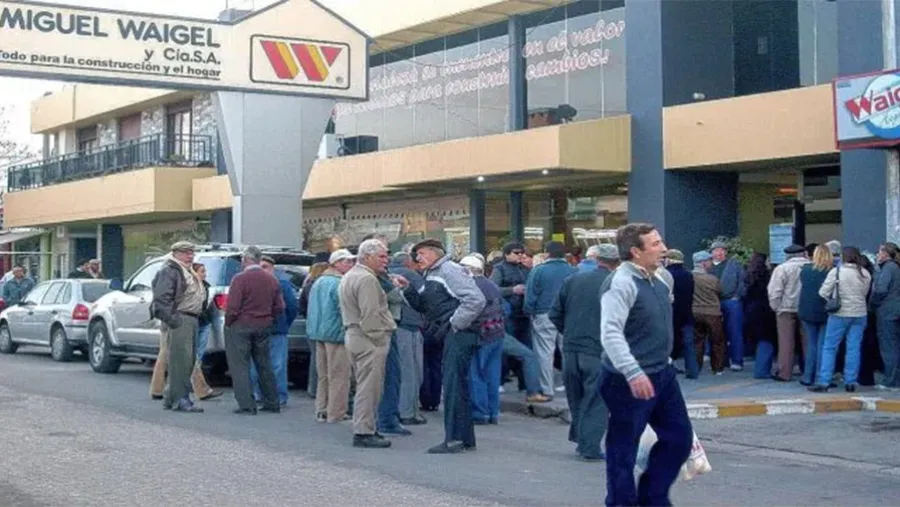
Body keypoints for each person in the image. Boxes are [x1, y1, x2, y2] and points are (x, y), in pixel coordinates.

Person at [599, 223, 693, 507]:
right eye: (654, 244)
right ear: (635, 252)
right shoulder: (620, 283)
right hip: (627, 380)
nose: (663, 248)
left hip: (662, 373)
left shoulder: (662, 278)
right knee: (622, 451)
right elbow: (610, 333)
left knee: (679, 440)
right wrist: (632, 371)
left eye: (660, 242)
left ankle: (652, 498)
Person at [403, 239, 486, 454]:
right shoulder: (432, 273)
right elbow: (426, 306)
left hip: (459, 334)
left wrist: (455, 324)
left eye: (420, 253)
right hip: (453, 333)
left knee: (453, 386)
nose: (417, 258)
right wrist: (407, 290)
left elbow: (475, 299)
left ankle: (455, 439)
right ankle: (464, 438)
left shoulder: (449, 270)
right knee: (457, 385)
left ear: (434, 252)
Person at [550, 242, 619, 461]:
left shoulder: (573, 280)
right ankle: (589, 446)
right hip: (599, 350)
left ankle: (582, 440)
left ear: (597, 259)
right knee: (597, 399)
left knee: (576, 396)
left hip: (571, 349)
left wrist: (569, 332)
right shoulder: (617, 284)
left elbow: (555, 314)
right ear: (617, 262)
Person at [339, 239, 397, 449]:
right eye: (381, 256)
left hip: (356, 334)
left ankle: (366, 427)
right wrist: (380, 338)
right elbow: (370, 314)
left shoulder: (351, 276)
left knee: (365, 385)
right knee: (369, 388)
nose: (386, 260)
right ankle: (364, 431)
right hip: (367, 338)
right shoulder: (366, 279)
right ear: (367, 257)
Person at [224, 246, 284, 415]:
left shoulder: (240, 279)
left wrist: (229, 322)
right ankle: (272, 401)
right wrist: (269, 318)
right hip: (263, 324)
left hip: (241, 325)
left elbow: (233, 307)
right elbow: (280, 306)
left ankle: (246, 404)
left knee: (240, 365)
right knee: (264, 364)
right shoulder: (272, 280)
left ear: (245, 259)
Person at [149, 242, 205, 413]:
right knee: (181, 361)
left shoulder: (186, 270)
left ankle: (172, 397)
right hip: (181, 318)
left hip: (190, 318)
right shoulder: (170, 271)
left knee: (187, 361)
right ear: (175, 253)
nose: (190, 256)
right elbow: (161, 300)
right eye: (186, 253)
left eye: (192, 253)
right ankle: (180, 399)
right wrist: (174, 320)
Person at [809, 247, 872, 393]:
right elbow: (865, 293)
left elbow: (823, 292)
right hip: (860, 313)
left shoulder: (837, 272)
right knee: (854, 347)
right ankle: (851, 381)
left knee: (830, 347)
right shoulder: (865, 273)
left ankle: (824, 381)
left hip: (840, 313)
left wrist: (832, 299)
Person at [307, 249, 356, 422]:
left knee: (324, 375)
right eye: (347, 261)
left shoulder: (318, 281)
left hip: (317, 332)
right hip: (336, 334)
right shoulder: (339, 283)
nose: (351, 264)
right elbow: (344, 309)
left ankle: (322, 409)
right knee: (340, 376)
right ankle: (336, 412)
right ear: (336, 263)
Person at [460, 254, 506, 426]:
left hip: (481, 335)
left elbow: (470, 311)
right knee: (492, 375)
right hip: (497, 333)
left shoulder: (471, 286)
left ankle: (479, 413)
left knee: (476, 374)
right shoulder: (491, 284)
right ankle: (493, 412)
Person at [249, 255, 300, 408]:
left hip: (275, 330)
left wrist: (284, 324)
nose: (263, 269)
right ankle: (262, 394)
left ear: (273, 268)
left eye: (266, 266)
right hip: (259, 330)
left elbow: (292, 307)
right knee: (260, 365)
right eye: (261, 266)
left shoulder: (282, 284)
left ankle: (276, 395)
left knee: (275, 365)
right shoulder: (254, 283)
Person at [768, 244, 810, 382]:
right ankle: (810, 371)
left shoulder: (782, 269)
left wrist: (776, 307)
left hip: (785, 308)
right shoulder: (811, 266)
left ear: (788, 255)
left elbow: (775, 290)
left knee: (786, 342)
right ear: (803, 254)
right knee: (809, 342)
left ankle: (784, 373)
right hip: (805, 308)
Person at [872, 242, 900, 391]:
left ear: (885, 254)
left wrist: (873, 305)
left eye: (879, 251)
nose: (877, 254)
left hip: (887, 311)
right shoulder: (896, 267)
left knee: (888, 346)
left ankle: (890, 380)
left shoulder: (888, 268)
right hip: (895, 310)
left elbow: (881, 290)